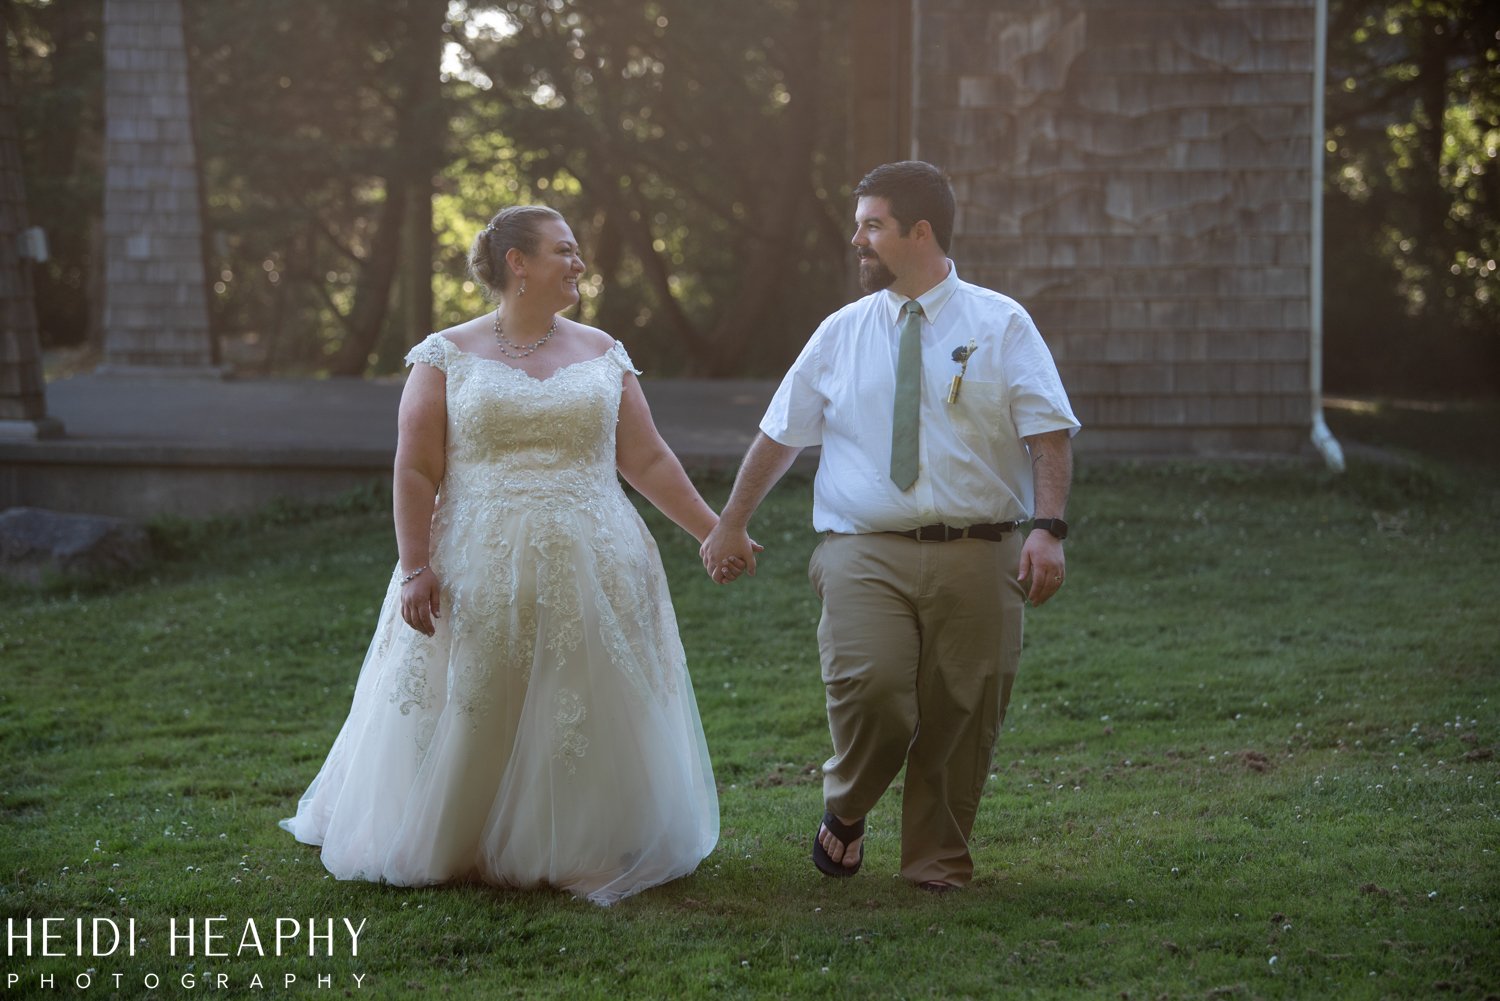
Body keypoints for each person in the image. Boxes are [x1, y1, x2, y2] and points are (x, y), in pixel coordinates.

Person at [280, 205, 744, 906]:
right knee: (479, 698)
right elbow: (415, 467)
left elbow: (645, 456)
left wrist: (712, 529)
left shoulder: (602, 350)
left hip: (597, 555)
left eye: (578, 251)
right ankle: (458, 833)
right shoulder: (446, 353)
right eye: (564, 250)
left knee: (581, 696)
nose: (579, 264)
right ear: (515, 263)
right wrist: (414, 564)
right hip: (477, 554)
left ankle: (588, 837)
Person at [700, 161, 1080, 892]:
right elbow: (780, 436)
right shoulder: (840, 331)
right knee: (872, 687)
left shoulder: (1001, 323)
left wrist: (1048, 527)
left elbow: (1048, 433)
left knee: (962, 710)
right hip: (862, 548)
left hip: (981, 547)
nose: (858, 239)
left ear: (920, 231)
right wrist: (730, 524)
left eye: (872, 224)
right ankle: (846, 806)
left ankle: (935, 860)